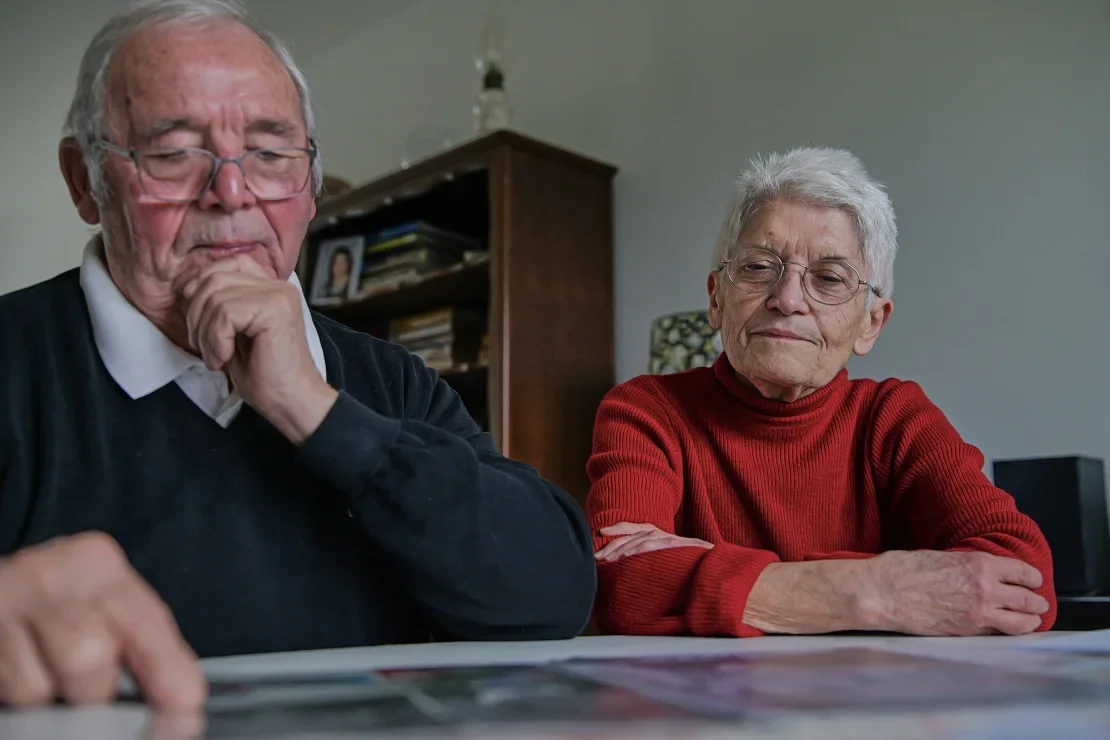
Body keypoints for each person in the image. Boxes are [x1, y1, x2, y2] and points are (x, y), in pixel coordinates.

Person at [0, 0, 595, 710]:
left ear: (309, 189)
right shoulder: (16, 360)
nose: (230, 191)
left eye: (271, 153)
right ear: (84, 181)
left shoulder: (387, 377)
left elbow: (552, 596)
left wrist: (317, 411)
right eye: (173, 154)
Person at [588, 146, 1056, 639]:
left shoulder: (895, 418)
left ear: (870, 323)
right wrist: (880, 590)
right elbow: (617, 586)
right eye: (757, 268)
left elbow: (1026, 581)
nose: (787, 300)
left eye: (829, 278)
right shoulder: (646, 410)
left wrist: (708, 572)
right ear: (716, 299)